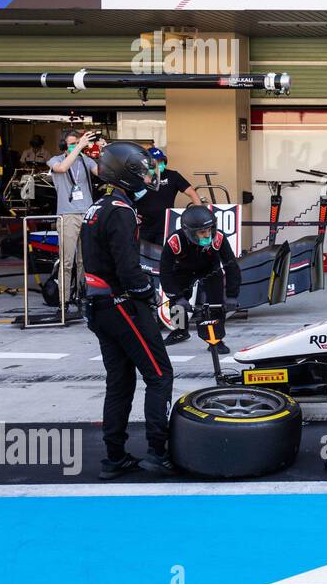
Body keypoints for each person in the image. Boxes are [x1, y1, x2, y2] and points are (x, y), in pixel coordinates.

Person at [81, 142, 174, 479]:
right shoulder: (121, 210)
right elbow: (128, 269)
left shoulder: (98, 206)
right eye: (141, 169)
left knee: (119, 382)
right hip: (120, 304)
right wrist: (147, 292)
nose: (148, 174)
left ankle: (114, 456)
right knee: (160, 376)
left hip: (98, 305)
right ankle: (157, 451)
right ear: (126, 172)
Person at [160, 204, 241, 354]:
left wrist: (232, 295)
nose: (207, 235)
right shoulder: (174, 241)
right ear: (189, 232)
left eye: (210, 230)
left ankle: (216, 340)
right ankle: (180, 331)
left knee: (216, 303)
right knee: (177, 304)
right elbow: (165, 272)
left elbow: (231, 266)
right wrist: (177, 297)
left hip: (210, 269)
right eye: (202, 232)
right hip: (183, 270)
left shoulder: (219, 238)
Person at [47, 127, 100, 308]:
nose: (75, 146)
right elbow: (62, 168)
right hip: (67, 215)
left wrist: (105, 152)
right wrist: (79, 148)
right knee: (67, 260)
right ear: (63, 145)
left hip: (86, 213)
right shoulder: (55, 160)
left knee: (85, 260)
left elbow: (102, 173)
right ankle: (64, 300)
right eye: (72, 144)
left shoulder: (86, 160)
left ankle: (83, 295)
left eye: (77, 143)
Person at [135, 147, 201, 245]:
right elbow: (127, 197)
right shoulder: (138, 177)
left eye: (160, 161)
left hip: (165, 227)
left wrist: (199, 214)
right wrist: (132, 214)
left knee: (162, 256)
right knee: (140, 255)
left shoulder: (173, 176)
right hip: (143, 227)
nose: (158, 164)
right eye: (154, 162)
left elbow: (192, 193)